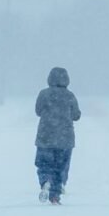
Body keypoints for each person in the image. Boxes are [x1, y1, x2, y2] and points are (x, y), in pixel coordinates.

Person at [34, 67, 81, 205]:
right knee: (60, 166)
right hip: (65, 139)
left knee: (44, 164)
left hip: (45, 137)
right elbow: (76, 115)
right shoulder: (70, 96)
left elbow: (38, 111)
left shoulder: (43, 94)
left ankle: (46, 181)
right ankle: (55, 195)